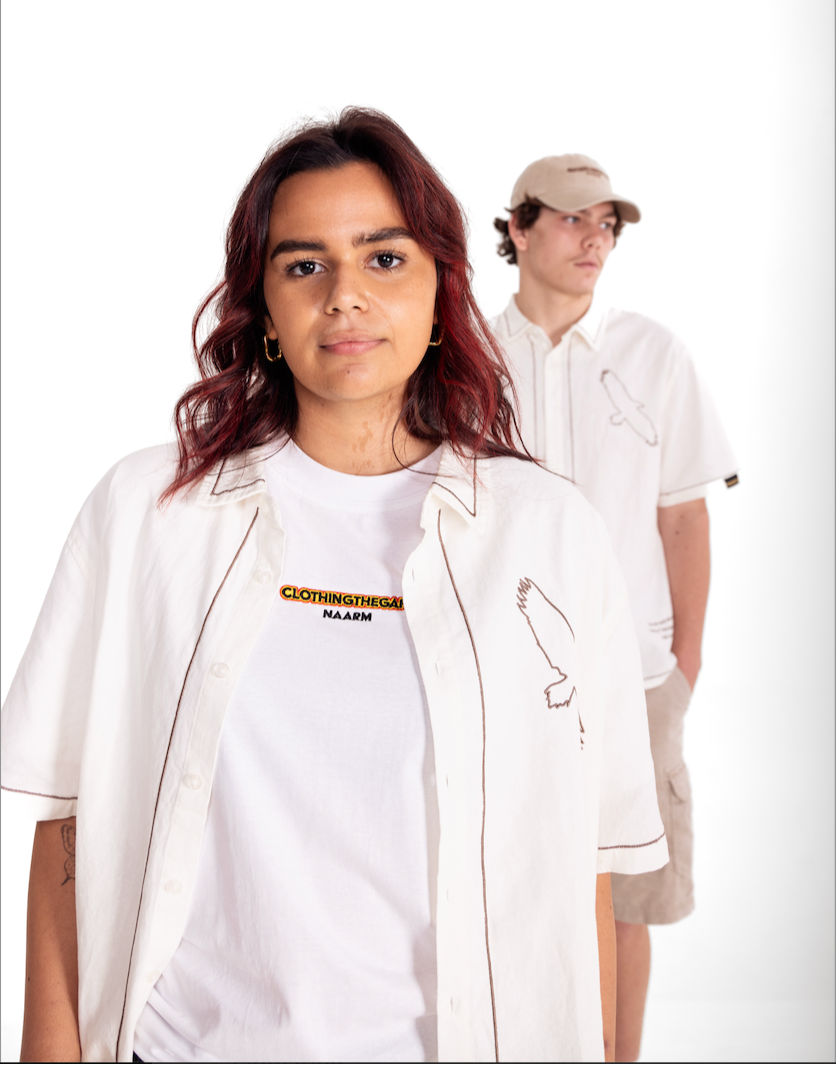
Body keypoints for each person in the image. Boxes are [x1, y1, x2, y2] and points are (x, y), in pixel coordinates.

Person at [2, 112, 668, 1064]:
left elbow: (582, 867)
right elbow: (72, 822)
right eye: (305, 265)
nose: (345, 297)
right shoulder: (150, 514)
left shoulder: (548, 534)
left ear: (443, 285)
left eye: (385, 259)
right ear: (264, 307)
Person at [491, 154, 739, 1062]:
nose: (594, 238)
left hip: (637, 675)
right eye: (569, 219)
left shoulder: (653, 353)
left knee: (628, 892)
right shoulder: (470, 358)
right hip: (511, 674)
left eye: (608, 223)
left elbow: (683, 515)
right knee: (524, 878)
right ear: (516, 229)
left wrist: (685, 669)